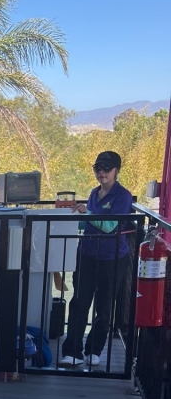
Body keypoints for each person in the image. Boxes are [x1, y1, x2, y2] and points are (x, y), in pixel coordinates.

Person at [60, 150, 134, 367]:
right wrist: (71, 217)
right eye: (98, 168)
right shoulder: (94, 192)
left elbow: (111, 226)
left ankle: (94, 349)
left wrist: (88, 215)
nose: (102, 172)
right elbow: (89, 223)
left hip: (112, 258)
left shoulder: (123, 196)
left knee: (104, 306)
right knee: (79, 303)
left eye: (106, 168)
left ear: (116, 171)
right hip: (87, 254)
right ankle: (72, 352)